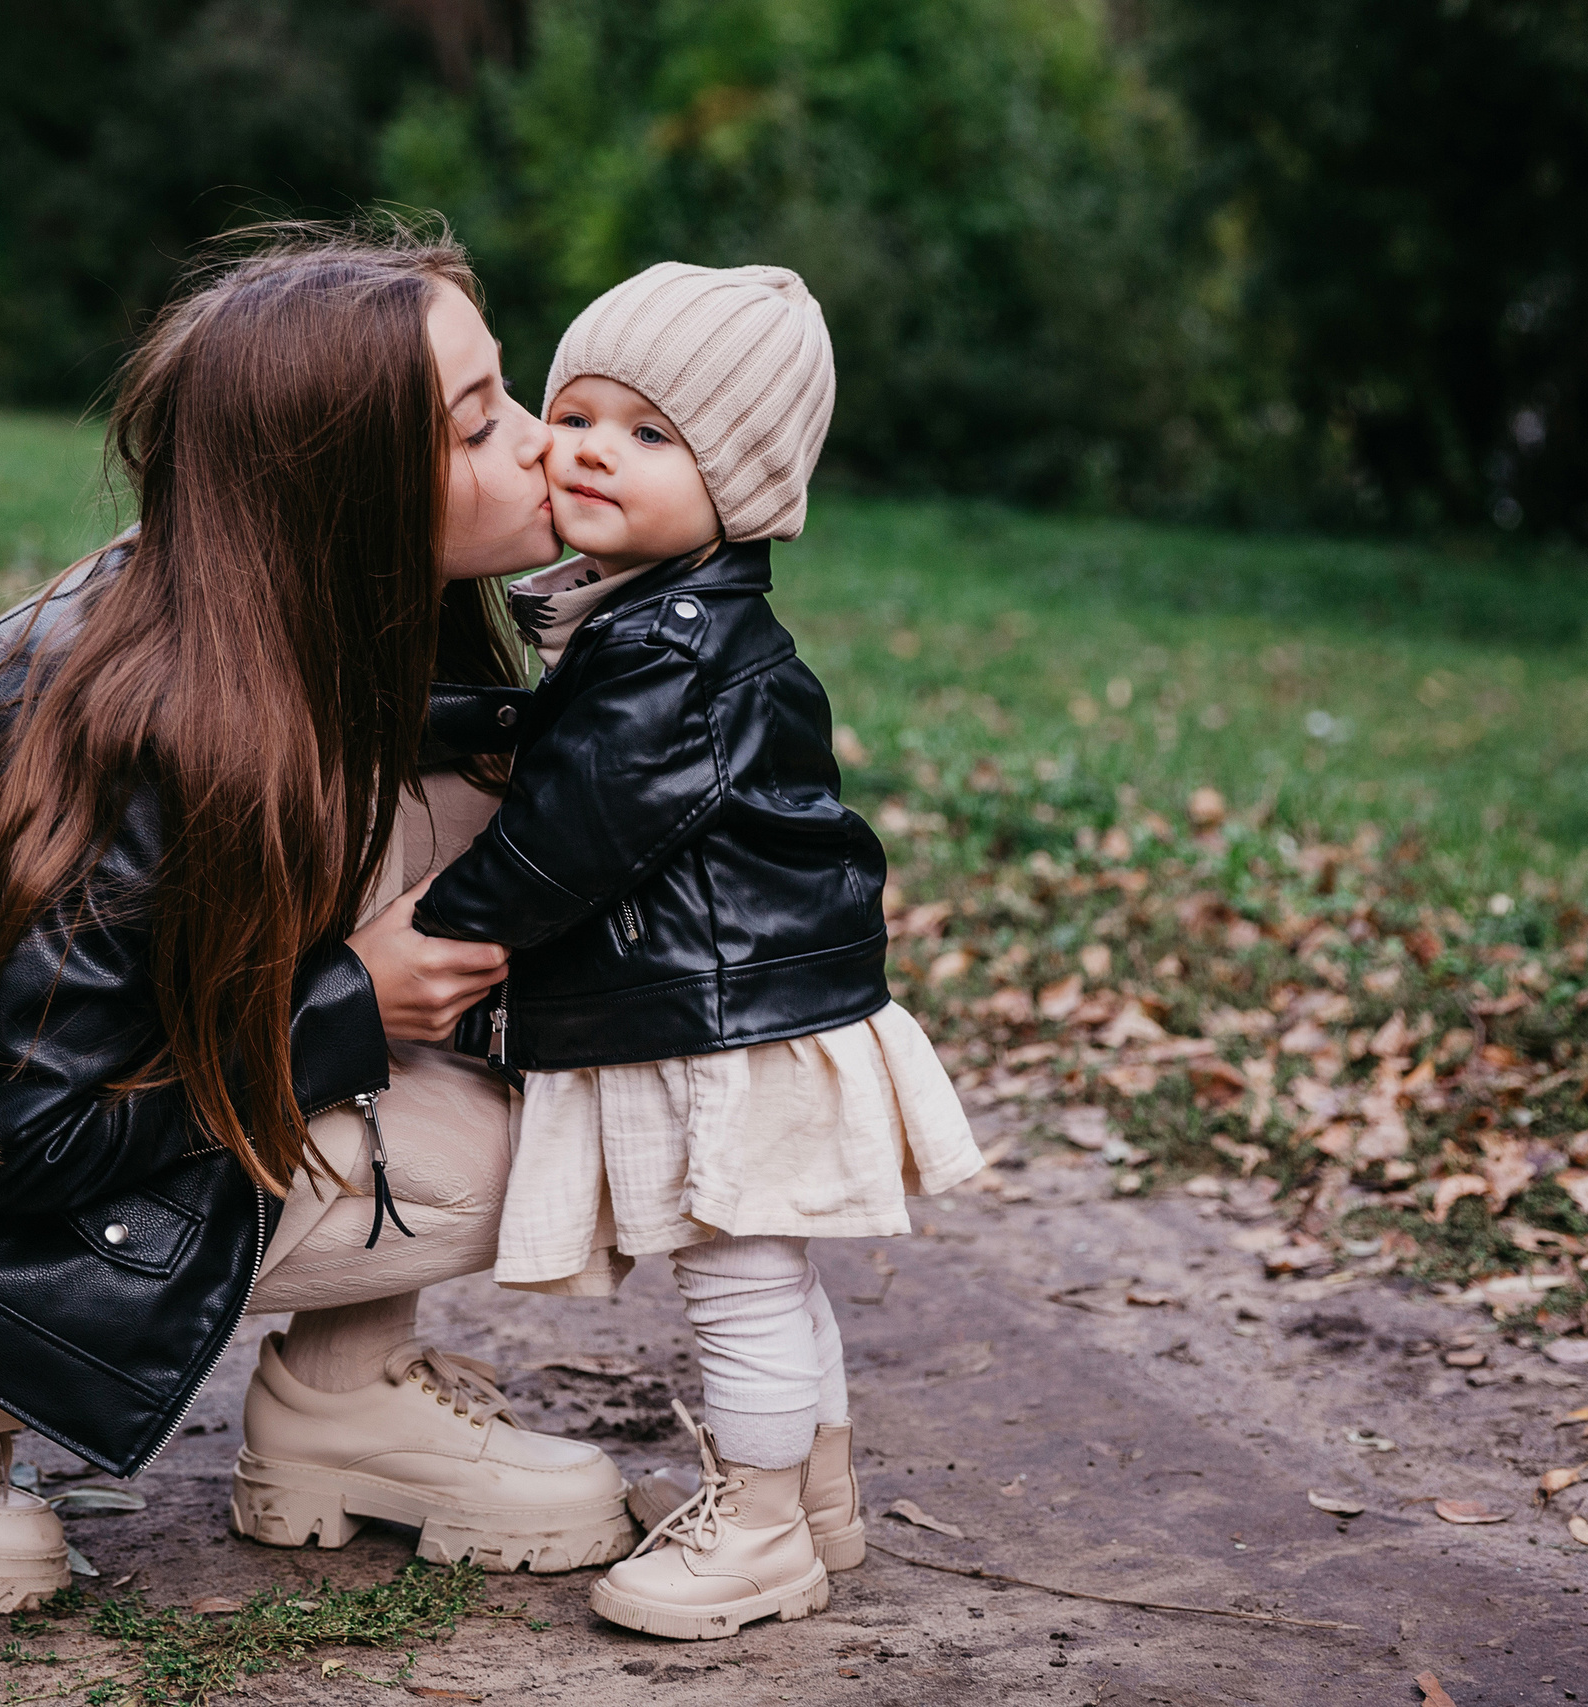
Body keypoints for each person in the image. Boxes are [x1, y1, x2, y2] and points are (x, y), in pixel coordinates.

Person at [0, 223, 638, 1617]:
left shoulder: (283, 612)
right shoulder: (163, 741)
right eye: (479, 424)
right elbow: (18, 1138)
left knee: (493, 863)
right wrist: (343, 1015)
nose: (540, 446)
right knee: (532, 1140)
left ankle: (346, 1406)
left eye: (511, 397)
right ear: (350, 497)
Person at [414, 262, 983, 1641]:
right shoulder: (661, 621)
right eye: (584, 412)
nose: (597, 447)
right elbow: (569, 746)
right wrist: (465, 722)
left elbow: (572, 835)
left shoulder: (678, 652)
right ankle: (816, 1502)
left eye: (655, 435)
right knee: (763, 1273)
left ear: (743, 484)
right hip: (744, 995)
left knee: (737, 1284)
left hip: (721, 1016)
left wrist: (440, 929)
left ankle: (761, 1528)